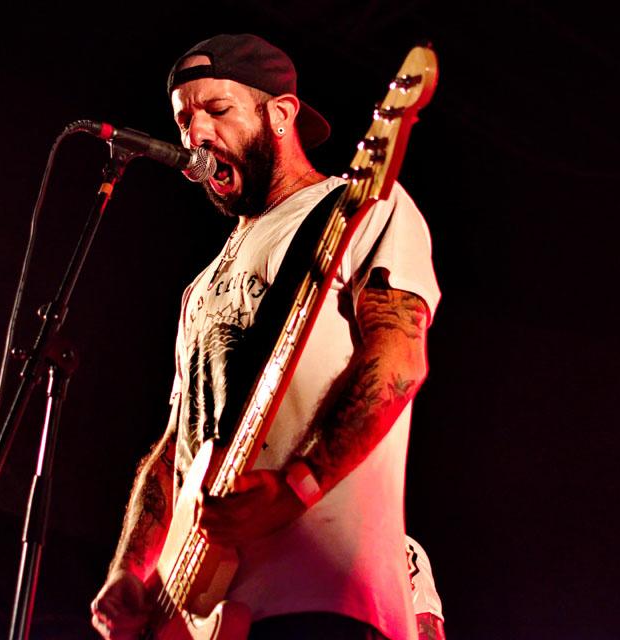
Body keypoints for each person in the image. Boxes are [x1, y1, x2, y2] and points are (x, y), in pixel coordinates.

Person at [91, 33, 440, 640]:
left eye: (217, 110)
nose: (196, 135)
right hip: (197, 609)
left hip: (316, 597)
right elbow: (176, 448)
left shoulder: (361, 207)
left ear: (280, 113)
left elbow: (397, 361)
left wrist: (297, 486)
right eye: (184, 121)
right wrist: (129, 569)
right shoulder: (199, 287)